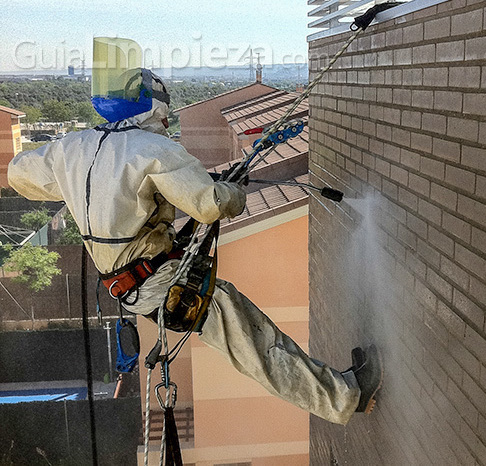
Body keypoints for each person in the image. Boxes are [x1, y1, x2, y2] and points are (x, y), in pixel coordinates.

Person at [8, 57, 382, 425]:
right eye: (164, 112)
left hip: (132, 284)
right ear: (152, 106)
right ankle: (345, 397)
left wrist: (81, 183)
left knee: (249, 333)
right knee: (255, 344)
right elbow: (210, 205)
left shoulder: (71, 148)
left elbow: (19, 174)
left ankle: (342, 393)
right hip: (158, 282)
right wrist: (232, 192)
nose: (166, 121)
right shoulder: (154, 150)